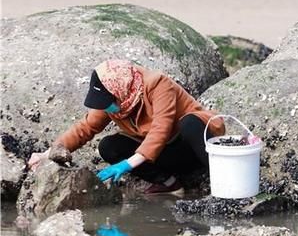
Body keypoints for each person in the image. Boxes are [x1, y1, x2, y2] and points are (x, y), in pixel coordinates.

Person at [28, 59, 225, 195]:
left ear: (119, 88)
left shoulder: (157, 84)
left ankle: (224, 186)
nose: (106, 106)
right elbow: (85, 128)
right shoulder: (113, 99)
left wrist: (126, 165)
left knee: (190, 122)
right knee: (108, 146)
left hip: (191, 146)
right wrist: (48, 154)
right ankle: (170, 184)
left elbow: (161, 129)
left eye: (107, 101)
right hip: (161, 154)